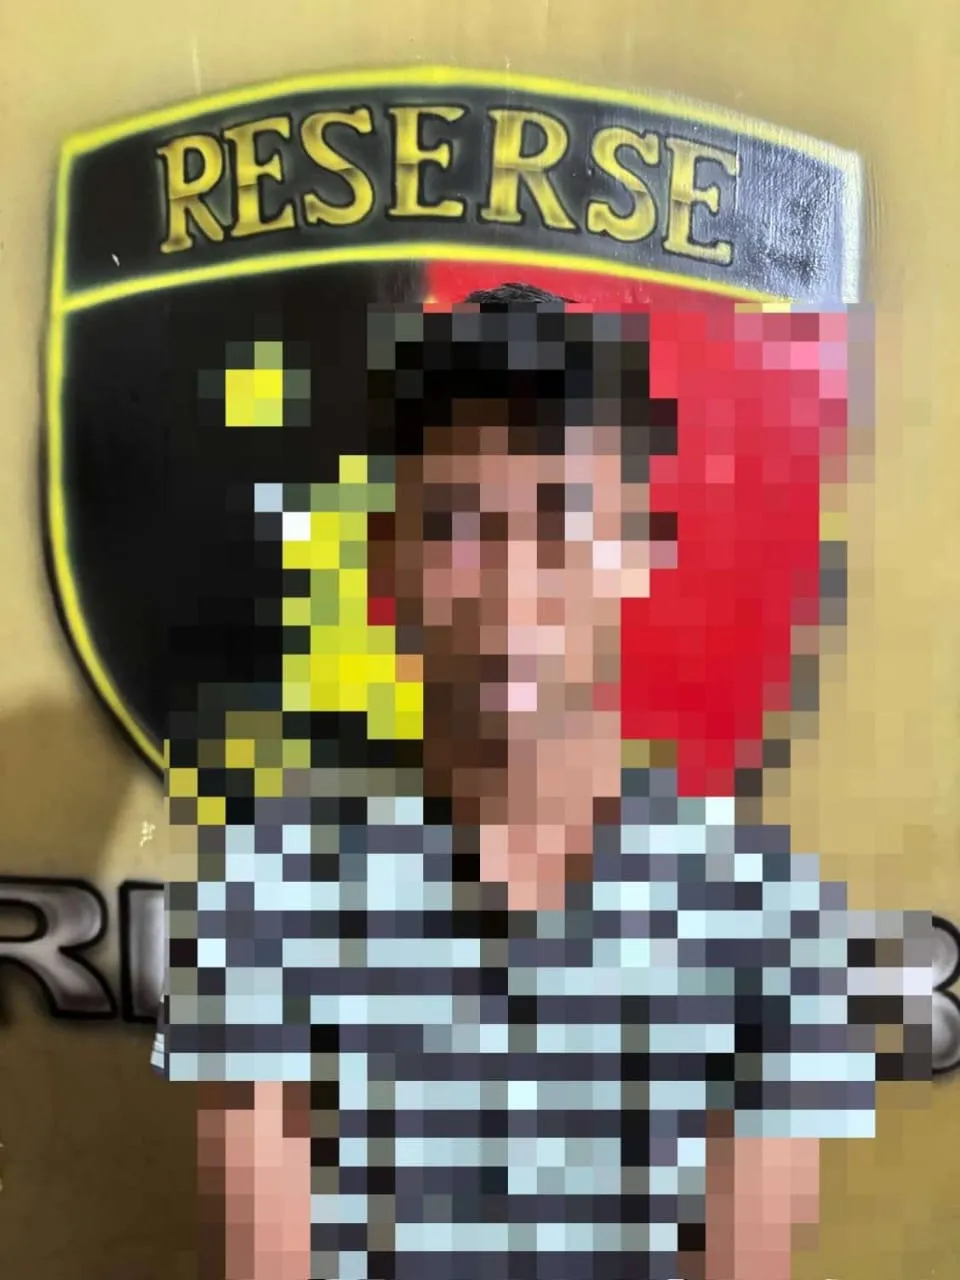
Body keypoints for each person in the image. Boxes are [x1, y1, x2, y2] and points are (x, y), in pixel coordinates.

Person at [153, 282, 925, 1280]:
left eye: (559, 516)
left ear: (639, 550)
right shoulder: (268, 892)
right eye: (456, 522)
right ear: (387, 556)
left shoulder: (768, 918)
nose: (509, 579)